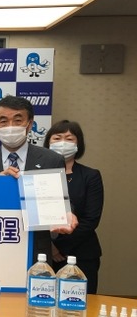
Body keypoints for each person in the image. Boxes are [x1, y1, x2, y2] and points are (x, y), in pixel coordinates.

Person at [0, 95, 74, 262]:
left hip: (35, 249)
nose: (10, 126)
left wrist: (67, 214)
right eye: (3, 121)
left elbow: (60, 202)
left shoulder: (51, 160)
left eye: (18, 120)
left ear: (29, 124)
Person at [44, 120, 104, 293]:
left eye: (69, 139)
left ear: (79, 144)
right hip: (43, 255)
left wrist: (59, 246)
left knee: (80, 303)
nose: (63, 143)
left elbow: (91, 220)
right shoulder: (38, 175)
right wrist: (49, 246)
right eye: (57, 138)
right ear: (48, 142)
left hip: (81, 254)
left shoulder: (90, 176)